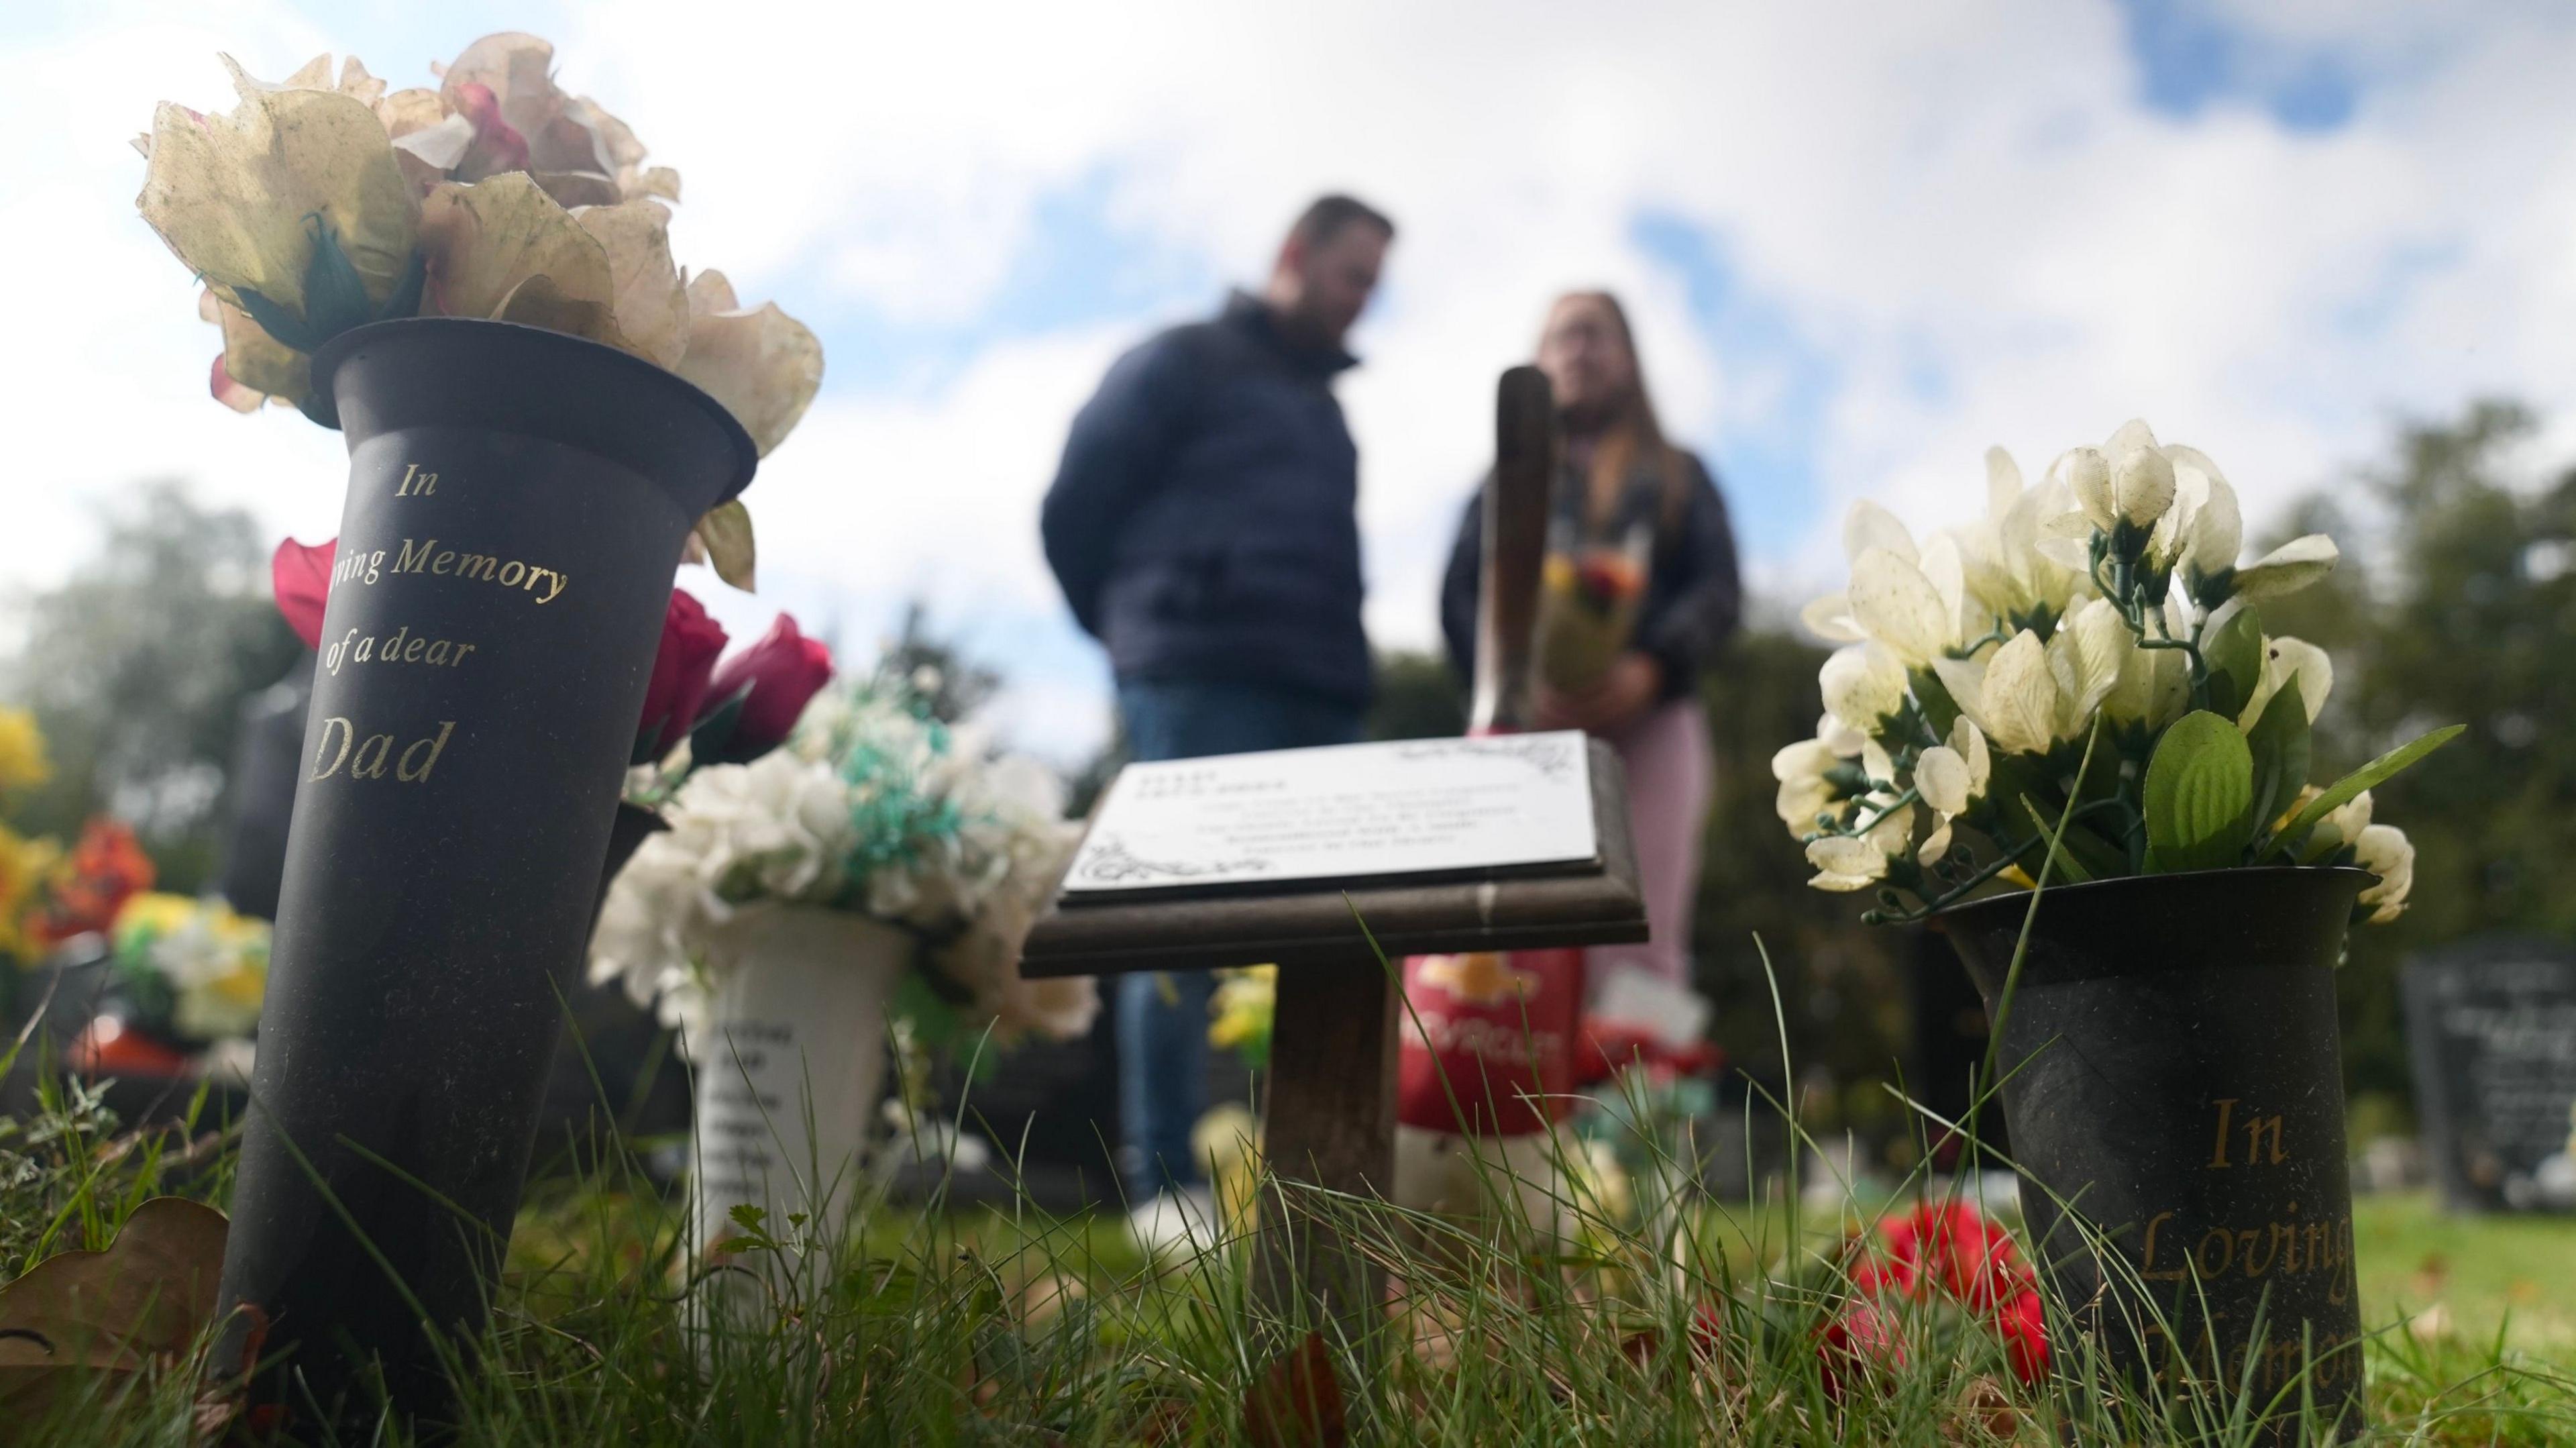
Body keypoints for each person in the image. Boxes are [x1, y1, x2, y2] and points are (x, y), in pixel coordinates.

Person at [1041, 193, 1395, 1248]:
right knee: (1172, 926)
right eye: (1352, 274)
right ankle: (1166, 1189)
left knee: (1336, 936)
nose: (1362, 299)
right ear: (1295, 253)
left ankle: (1308, 1183)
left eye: (1376, 285)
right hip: (1193, 674)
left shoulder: (1330, 416)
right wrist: (1136, 633)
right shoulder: (1180, 361)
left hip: (1322, 693)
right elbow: (1074, 507)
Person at [1438, 291, 1741, 993]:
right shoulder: (1503, 483)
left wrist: (1653, 667)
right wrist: (1512, 687)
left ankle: (1635, 1103)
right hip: (1525, 732)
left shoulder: (1678, 473)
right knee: (1510, 930)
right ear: (1539, 361)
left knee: (1645, 929)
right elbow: (1459, 595)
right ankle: (1515, 1097)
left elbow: (1718, 587)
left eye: (1595, 336)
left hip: (1652, 727)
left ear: (1629, 358)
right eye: (1562, 337)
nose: (1579, 350)